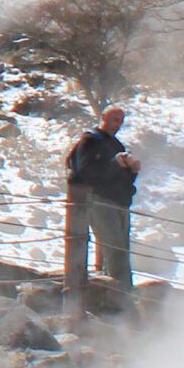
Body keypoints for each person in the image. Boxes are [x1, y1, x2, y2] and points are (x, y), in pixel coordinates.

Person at [64, 105, 140, 295]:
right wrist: (116, 164)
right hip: (100, 201)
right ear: (103, 117)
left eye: (121, 121)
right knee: (115, 251)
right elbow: (87, 172)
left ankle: (113, 291)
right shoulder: (91, 141)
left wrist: (131, 170)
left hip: (120, 202)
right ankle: (123, 296)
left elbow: (121, 176)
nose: (118, 125)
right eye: (115, 120)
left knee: (121, 251)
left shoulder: (116, 145)